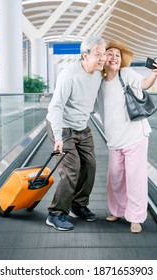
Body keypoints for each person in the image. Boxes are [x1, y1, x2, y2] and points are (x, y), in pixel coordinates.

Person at [96, 41, 157, 233]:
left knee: (135, 178)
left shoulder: (125, 74)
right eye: (110, 54)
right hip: (114, 138)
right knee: (116, 177)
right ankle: (117, 210)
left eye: (118, 55)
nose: (114, 57)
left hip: (135, 135)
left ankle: (135, 217)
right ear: (103, 58)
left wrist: (155, 74)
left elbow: (144, 84)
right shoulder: (98, 83)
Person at [45, 36, 107, 231]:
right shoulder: (69, 74)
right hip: (62, 127)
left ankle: (78, 205)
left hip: (82, 127)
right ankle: (55, 214)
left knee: (90, 166)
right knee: (71, 170)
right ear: (85, 55)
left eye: (104, 54)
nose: (103, 58)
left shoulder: (98, 73)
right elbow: (55, 107)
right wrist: (58, 137)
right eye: (98, 54)